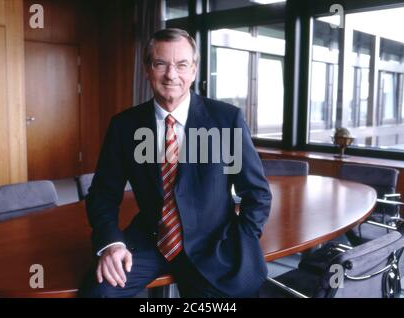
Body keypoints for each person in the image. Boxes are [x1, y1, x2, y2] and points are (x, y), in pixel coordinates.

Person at [79, 28, 272, 298]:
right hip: (149, 239)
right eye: (160, 64)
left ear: (193, 70)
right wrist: (111, 243)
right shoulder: (124, 125)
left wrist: (242, 238)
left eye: (182, 65)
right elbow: (102, 195)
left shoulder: (226, 120)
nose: (171, 75)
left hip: (213, 242)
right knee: (97, 293)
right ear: (147, 69)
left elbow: (257, 193)